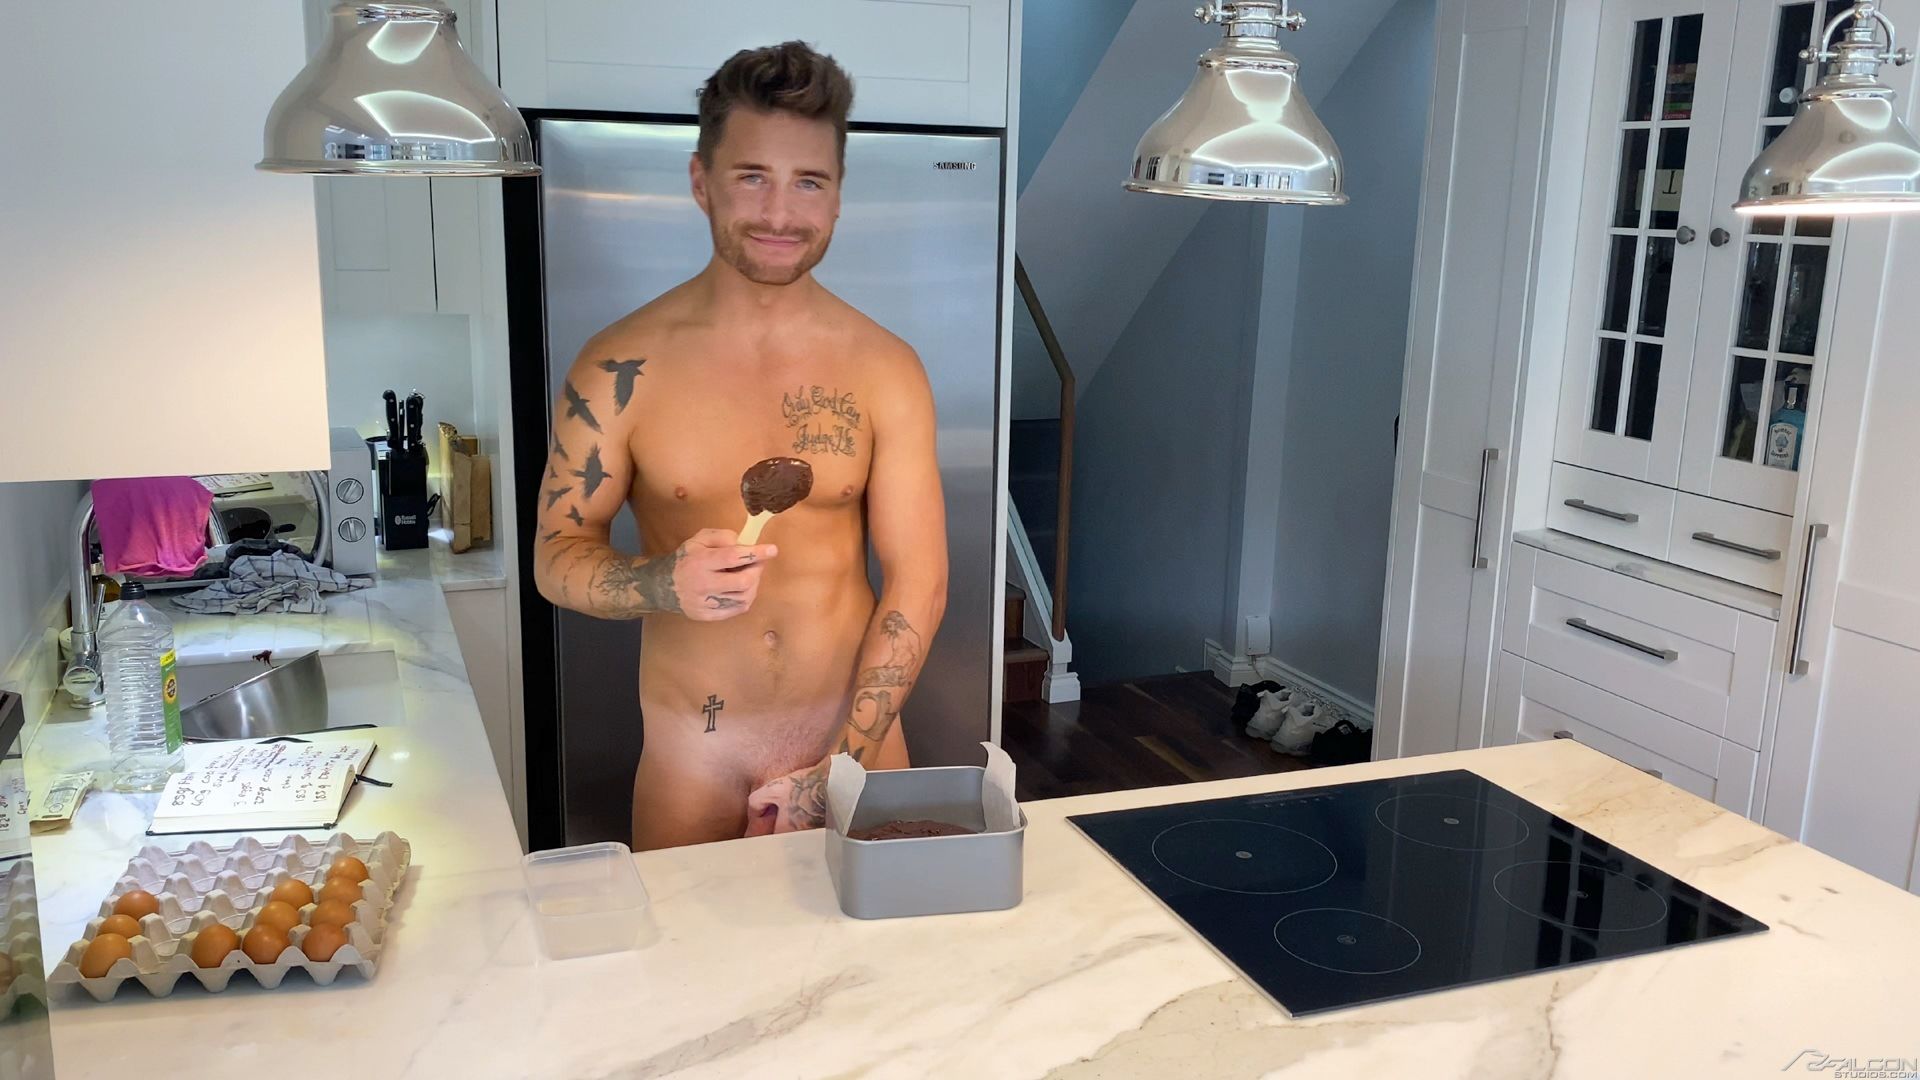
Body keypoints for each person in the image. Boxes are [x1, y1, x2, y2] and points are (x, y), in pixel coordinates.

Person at [532, 41, 949, 851]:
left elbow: (920, 580)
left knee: (879, 942)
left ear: (838, 196)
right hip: (695, 756)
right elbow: (556, 554)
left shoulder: (885, 367)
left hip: (857, 747)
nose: (780, 214)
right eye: (752, 177)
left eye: (809, 182)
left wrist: (844, 764)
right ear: (702, 181)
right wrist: (658, 582)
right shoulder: (619, 367)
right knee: (689, 941)